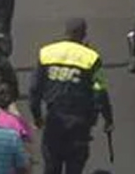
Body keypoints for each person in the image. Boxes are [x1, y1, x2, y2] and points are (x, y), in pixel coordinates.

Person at [29, 18, 114, 174]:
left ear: (66, 32)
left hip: (54, 121)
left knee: (51, 166)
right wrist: (108, 119)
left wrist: (37, 116)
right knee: (75, 167)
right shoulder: (92, 58)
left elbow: (35, 89)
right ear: (83, 34)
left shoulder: (47, 53)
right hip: (79, 124)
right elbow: (100, 91)